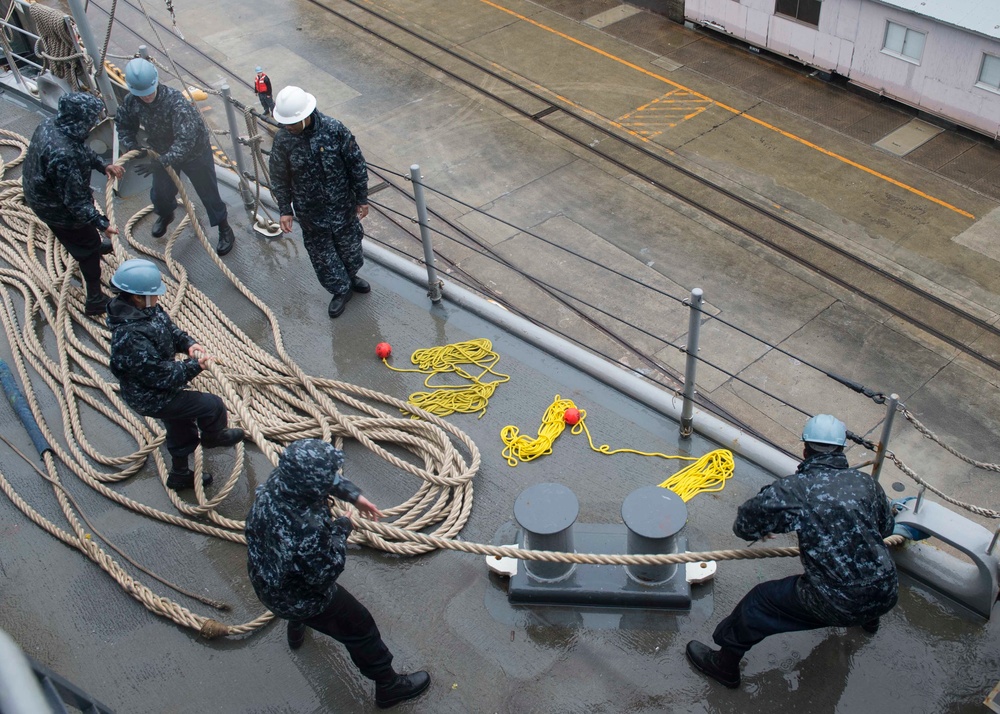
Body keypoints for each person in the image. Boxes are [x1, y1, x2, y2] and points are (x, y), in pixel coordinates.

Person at [685, 413, 897, 689]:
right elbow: (886, 528)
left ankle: (724, 665)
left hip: (838, 601)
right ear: (841, 449)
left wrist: (771, 516)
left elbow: (744, 526)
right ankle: (869, 620)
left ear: (805, 449)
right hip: (887, 592)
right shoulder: (867, 484)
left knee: (759, 603)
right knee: (861, 568)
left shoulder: (794, 491)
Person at [245, 439, 431, 709]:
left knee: (298, 602)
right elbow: (326, 571)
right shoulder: (305, 529)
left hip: (268, 580)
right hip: (301, 596)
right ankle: (389, 687)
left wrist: (354, 495)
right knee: (360, 627)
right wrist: (343, 526)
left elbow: (319, 479)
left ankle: (296, 624)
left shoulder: (278, 484)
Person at [106, 259, 244, 490]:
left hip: (160, 388)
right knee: (212, 405)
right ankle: (213, 437)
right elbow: (161, 376)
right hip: (152, 396)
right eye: (155, 294)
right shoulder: (130, 337)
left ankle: (180, 474)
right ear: (138, 296)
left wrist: (188, 344)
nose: (159, 298)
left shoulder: (145, 309)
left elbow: (169, 329)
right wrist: (195, 365)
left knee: (180, 425)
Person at [115, 58, 237, 256]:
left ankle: (224, 228)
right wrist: (132, 145)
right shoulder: (132, 101)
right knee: (160, 193)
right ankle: (166, 213)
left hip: (194, 153)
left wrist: (161, 162)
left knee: (208, 193)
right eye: (142, 94)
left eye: (148, 92)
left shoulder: (176, 102)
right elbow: (123, 124)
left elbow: (186, 141)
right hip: (162, 151)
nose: (146, 97)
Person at [268, 86, 370, 318]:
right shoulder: (284, 140)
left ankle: (351, 276)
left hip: (342, 208)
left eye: (291, 123)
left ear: (305, 116)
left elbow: (356, 163)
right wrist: (285, 209)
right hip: (311, 213)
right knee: (322, 255)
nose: (287, 127)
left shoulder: (334, 130)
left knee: (351, 248)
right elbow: (279, 177)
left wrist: (362, 197)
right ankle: (340, 289)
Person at [21, 92, 125, 316]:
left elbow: (81, 147)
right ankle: (95, 299)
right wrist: (101, 224)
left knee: (84, 238)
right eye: (91, 119)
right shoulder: (64, 155)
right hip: (56, 209)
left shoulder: (52, 125)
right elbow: (75, 202)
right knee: (86, 248)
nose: (94, 123)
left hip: (40, 194)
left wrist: (101, 165)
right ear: (81, 120)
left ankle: (93, 245)